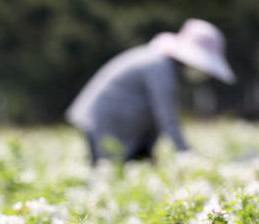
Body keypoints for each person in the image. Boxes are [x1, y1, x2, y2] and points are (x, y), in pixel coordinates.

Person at [66, 19, 235, 165]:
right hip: (104, 121)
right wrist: (185, 153)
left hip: (116, 124)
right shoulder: (159, 67)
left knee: (120, 171)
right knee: (106, 171)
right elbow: (165, 115)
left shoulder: (162, 65)